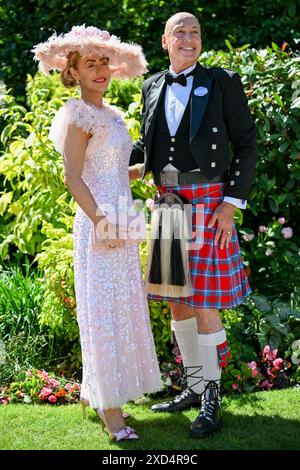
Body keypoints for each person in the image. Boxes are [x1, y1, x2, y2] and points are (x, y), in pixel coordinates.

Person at [32, 25, 162, 442]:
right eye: (91, 63)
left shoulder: (111, 115)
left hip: (121, 216)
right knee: (102, 313)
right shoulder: (79, 114)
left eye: (104, 61)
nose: (101, 69)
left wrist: (140, 172)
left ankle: (97, 391)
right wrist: (101, 221)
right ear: (73, 70)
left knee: (121, 307)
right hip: (98, 222)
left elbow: (106, 170)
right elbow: (73, 177)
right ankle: (114, 417)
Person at [130, 12, 257, 437]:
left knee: (203, 300)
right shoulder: (151, 86)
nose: (188, 38)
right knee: (175, 298)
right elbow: (147, 143)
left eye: (195, 32)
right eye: (179, 32)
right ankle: (193, 383)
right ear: (164, 41)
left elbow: (246, 143)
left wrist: (230, 203)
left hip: (208, 199)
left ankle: (211, 398)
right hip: (167, 199)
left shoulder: (222, 82)